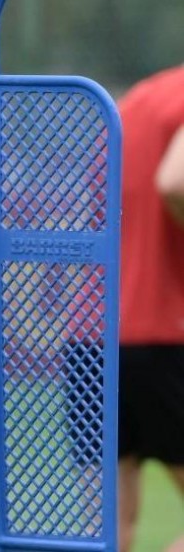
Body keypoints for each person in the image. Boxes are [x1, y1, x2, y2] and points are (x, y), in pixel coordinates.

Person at [114, 66, 184, 552]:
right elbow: (175, 181)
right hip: (165, 330)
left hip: (93, 335)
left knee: (107, 532)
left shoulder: (136, 98)